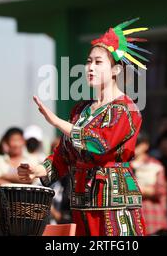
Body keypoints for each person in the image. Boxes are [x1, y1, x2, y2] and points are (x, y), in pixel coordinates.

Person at [18, 18, 151, 236]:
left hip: (114, 204)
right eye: (89, 62)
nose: (90, 67)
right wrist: (37, 170)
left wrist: (56, 122)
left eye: (98, 62)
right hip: (82, 203)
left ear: (116, 69)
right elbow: (64, 155)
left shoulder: (126, 109)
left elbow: (99, 143)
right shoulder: (81, 110)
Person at [0, 127, 38, 235]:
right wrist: (19, 181)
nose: (16, 144)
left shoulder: (32, 160)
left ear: (23, 141)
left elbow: (30, 179)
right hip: (2, 216)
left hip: (27, 217)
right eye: (12, 140)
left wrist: (4, 177)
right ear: (6, 142)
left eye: (18, 140)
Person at [130, 132, 167, 235]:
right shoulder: (124, 165)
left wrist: (138, 190)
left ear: (145, 145)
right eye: (131, 142)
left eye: (137, 143)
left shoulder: (155, 165)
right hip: (131, 221)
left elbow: (161, 191)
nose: (133, 146)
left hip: (153, 222)